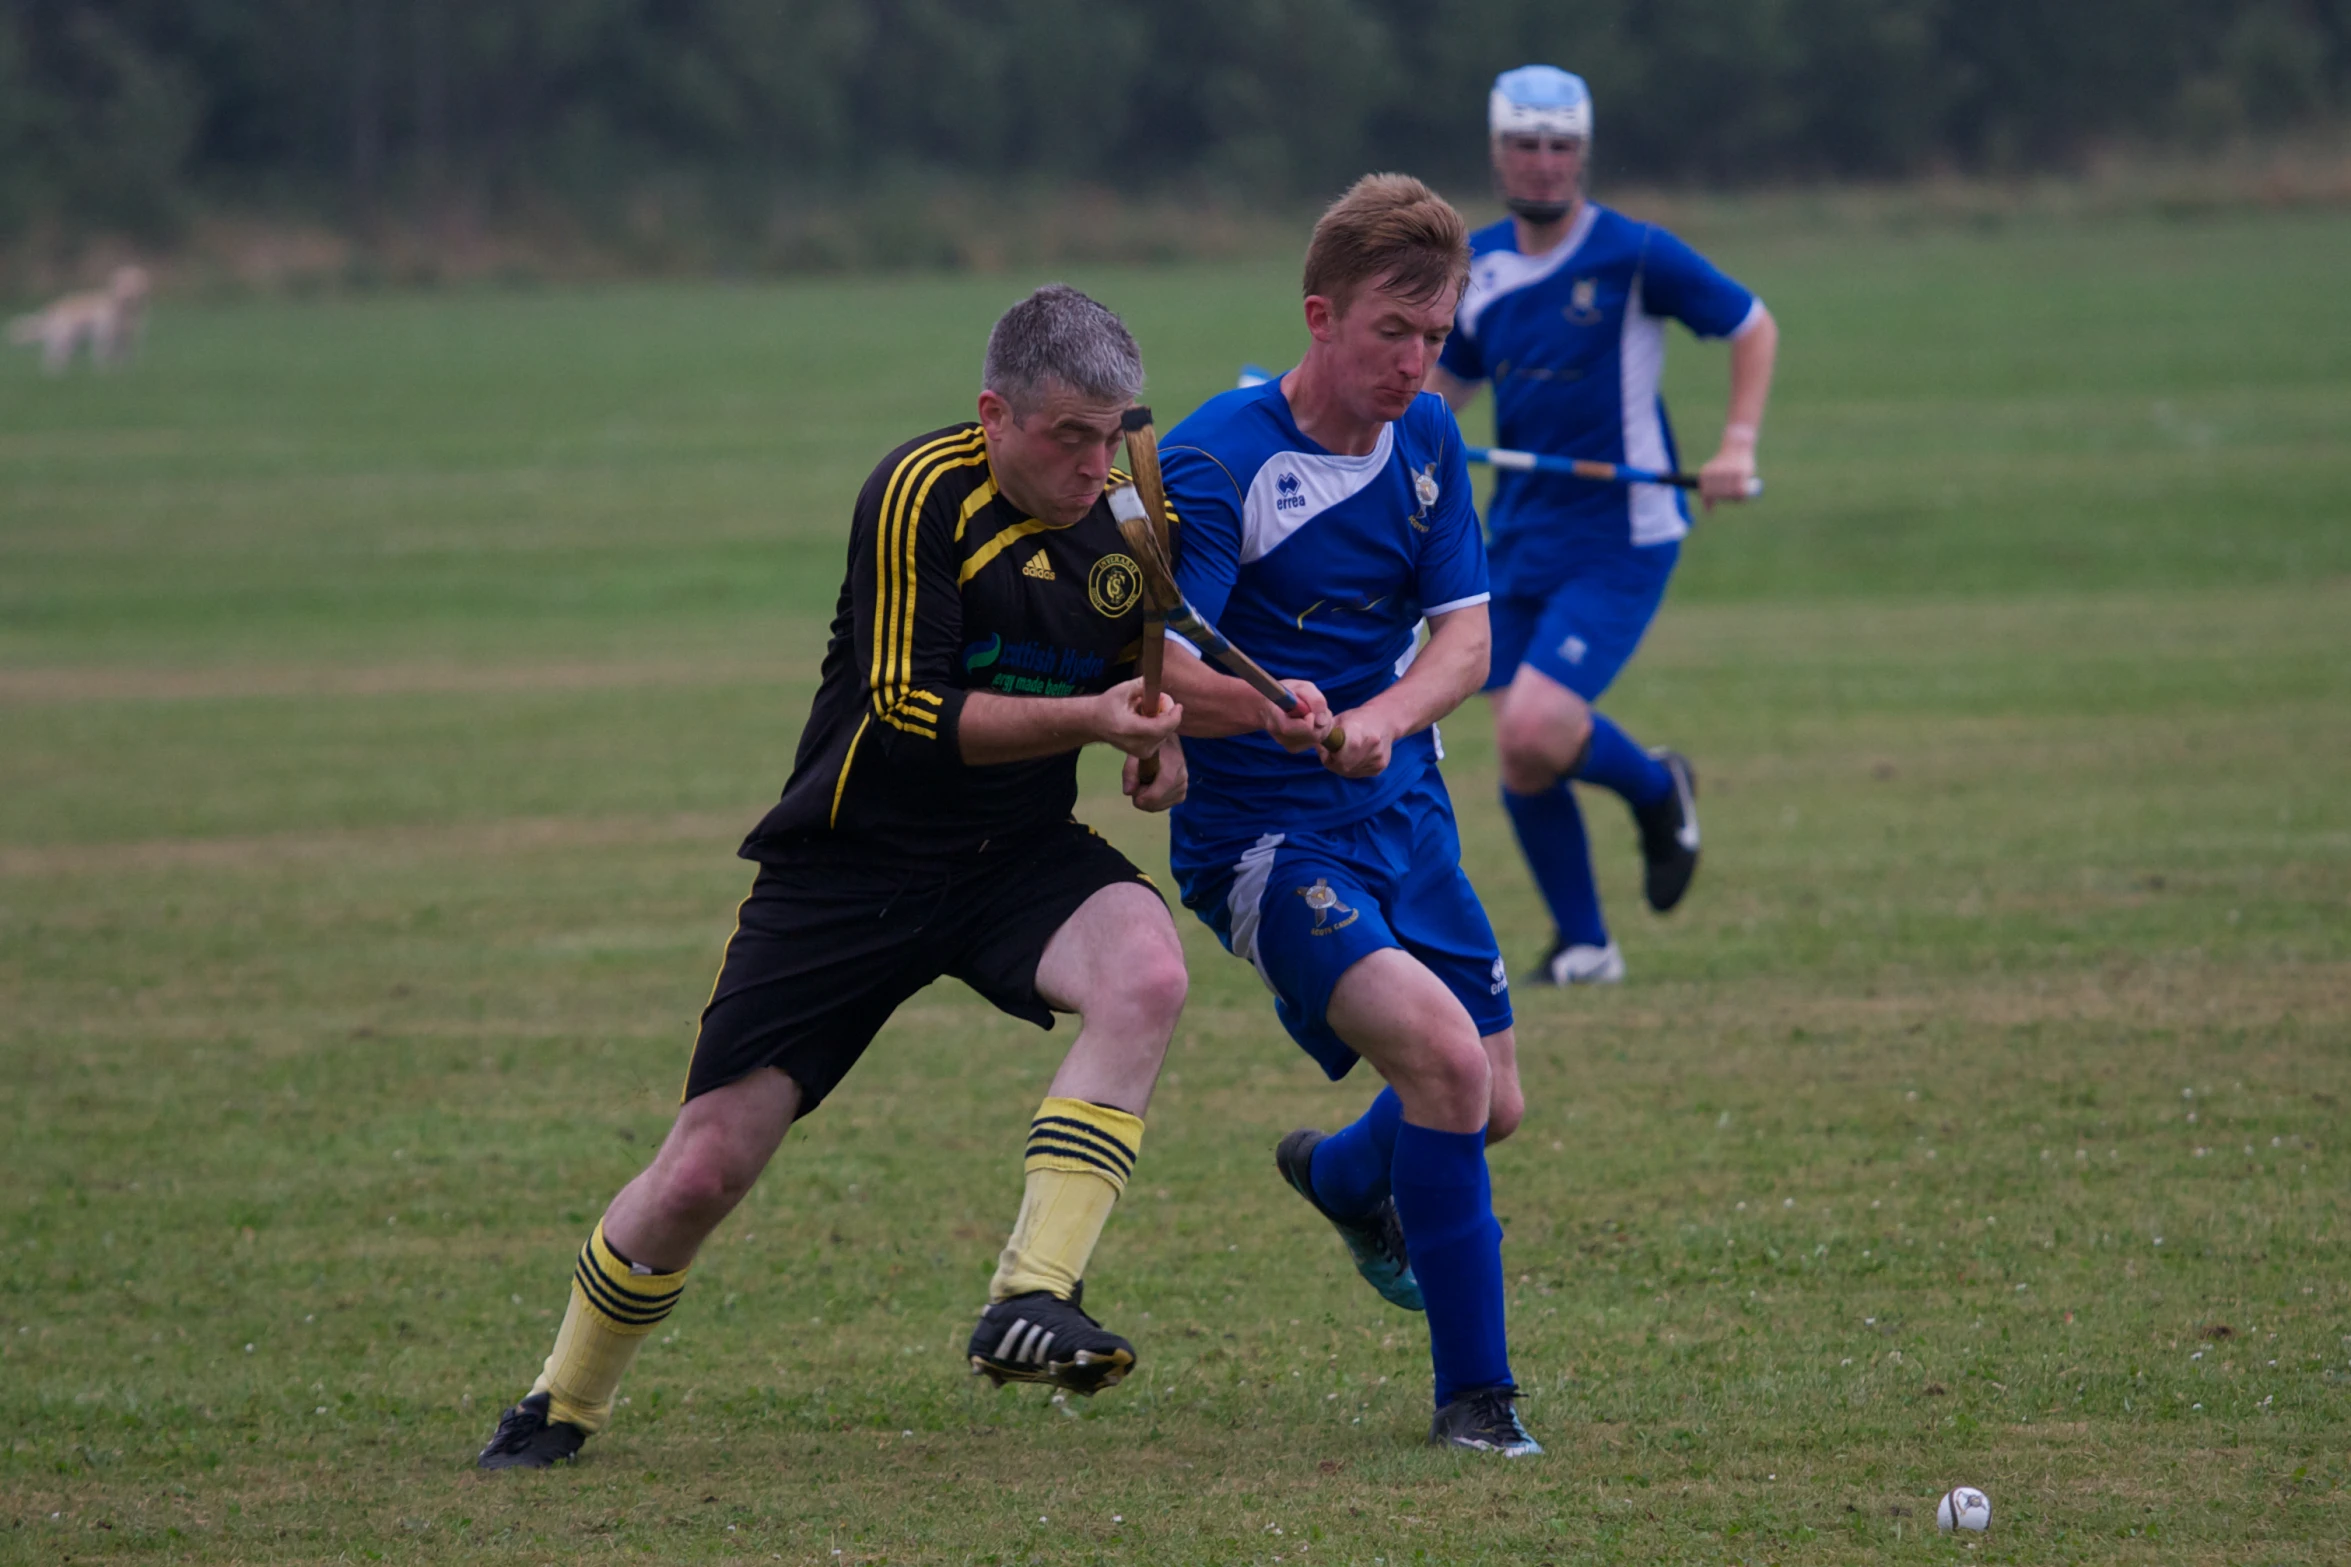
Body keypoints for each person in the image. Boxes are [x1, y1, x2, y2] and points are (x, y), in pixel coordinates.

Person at [476, 284, 1191, 1469]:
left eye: (1113, 429)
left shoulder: (1129, 509)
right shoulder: (919, 491)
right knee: (704, 1165)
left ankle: (1030, 1295)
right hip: (849, 864)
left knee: (1149, 972)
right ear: (992, 415)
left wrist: (1164, 744)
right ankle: (561, 1400)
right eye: (1067, 434)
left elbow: (1143, 668)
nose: (1093, 461)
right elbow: (908, 707)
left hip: (1012, 854)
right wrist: (1101, 719)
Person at [1157, 174, 1538, 1456]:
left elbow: (1466, 643)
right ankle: (1477, 1405)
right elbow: (1159, 665)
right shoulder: (1222, 462)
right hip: (1264, 841)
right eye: (1392, 331)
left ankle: (1334, 1175)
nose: (1416, 363)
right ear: (1320, 315)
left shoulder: (1428, 439)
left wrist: (1379, 719)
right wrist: (1252, 709)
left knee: (1490, 1099)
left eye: (1436, 338)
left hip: (1405, 811)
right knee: (1438, 1057)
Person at [1427, 65, 1779, 986]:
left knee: (1537, 725)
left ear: (1581, 153)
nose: (1542, 164)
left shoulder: (1634, 254)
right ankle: (1585, 944)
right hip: (1519, 535)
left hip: (1623, 531)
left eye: (1560, 147)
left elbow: (1751, 325)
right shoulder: (1479, 268)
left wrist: (1734, 443)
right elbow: (1437, 396)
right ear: (1496, 150)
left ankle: (1659, 789)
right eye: (1524, 145)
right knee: (1519, 746)